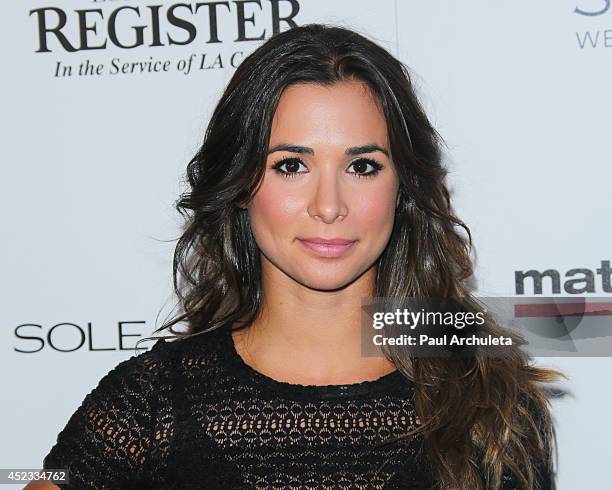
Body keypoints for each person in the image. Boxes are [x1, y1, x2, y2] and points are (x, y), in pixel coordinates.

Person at [31, 23, 561, 489]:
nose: (328, 206)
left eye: (363, 167)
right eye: (290, 165)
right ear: (240, 184)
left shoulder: (489, 400)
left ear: (403, 186)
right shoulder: (150, 400)